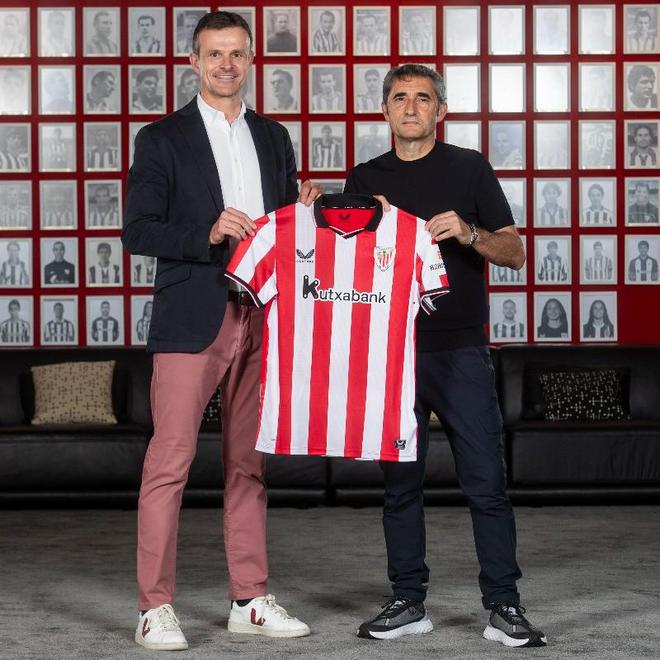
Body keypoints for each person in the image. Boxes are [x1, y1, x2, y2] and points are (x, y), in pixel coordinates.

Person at [122, 10, 321, 651]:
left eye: (237, 53)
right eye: (214, 54)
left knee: (249, 465)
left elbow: (284, 231)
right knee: (169, 464)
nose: (226, 65)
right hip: (192, 315)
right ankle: (155, 608)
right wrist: (206, 233)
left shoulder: (274, 137)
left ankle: (249, 599)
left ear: (251, 59)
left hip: (263, 314)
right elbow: (138, 230)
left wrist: (305, 215)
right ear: (194, 61)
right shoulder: (162, 138)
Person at [344, 64, 545, 647]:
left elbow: (515, 252)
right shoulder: (365, 177)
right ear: (385, 110)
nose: (410, 107)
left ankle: (504, 605)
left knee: (486, 482)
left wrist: (470, 232)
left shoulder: (469, 167)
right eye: (399, 98)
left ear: (441, 110)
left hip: (459, 349)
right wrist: (322, 206)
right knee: (400, 484)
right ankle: (408, 600)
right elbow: (343, 260)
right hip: (392, 351)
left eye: (422, 98)